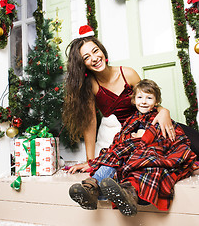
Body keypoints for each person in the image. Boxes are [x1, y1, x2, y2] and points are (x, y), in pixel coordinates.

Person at [69, 79, 197, 216]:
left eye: (149, 98)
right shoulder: (131, 119)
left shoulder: (159, 116)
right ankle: (92, 187)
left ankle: (129, 193)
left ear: (156, 102)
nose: (143, 101)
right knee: (113, 155)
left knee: (148, 161)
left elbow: (170, 137)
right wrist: (130, 138)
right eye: (140, 97)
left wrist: (145, 136)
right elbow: (119, 139)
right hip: (129, 149)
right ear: (134, 101)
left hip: (151, 149)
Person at [63, 25, 176, 174]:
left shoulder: (128, 73)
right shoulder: (91, 86)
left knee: (189, 144)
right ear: (82, 65)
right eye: (86, 57)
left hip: (145, 126)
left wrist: (164, 111)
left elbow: (149, 101)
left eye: (95, 51)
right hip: (123, 137)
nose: (95, 58)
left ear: (102, 50)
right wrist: (90, 160)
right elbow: (90, 122)